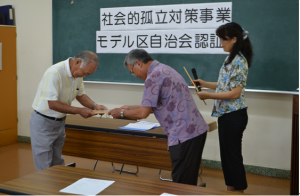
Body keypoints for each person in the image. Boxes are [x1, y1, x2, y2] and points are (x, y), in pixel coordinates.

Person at [108, 49, 209, 186]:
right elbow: (161, 103)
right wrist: (130, 108)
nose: (135, 75)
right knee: (188, 180)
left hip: (183, 134)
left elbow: (143, 113)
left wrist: (119, 113)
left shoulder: (153, 77)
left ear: (138, 63)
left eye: (132, 71)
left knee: (181, 185)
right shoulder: (164, 69)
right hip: (195, 131)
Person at [194, 22, 253, 193]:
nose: (221, 42)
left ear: (234, 39)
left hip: (234, 115)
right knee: (227, 157)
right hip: (227, 115)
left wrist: (208, 95)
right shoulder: (230, 59)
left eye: (223, 39)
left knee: (232, 157)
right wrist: (204, 84)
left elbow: (235, 93)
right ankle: (230, 189)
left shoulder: (239, 61)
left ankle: (239, 190)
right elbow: (223, 86)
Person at [30, 50, 107, 171]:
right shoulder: (54, 72)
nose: (85, 76)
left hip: (60, 122)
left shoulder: (77, 74)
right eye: (85, 73)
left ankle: (57, 189)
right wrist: (79, 111)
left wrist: (94, 106)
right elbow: (53, 104)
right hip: (43, 122)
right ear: (77, 62)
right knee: (44, 166)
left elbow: (80, 95)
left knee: (58, 163)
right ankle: (45, 189)